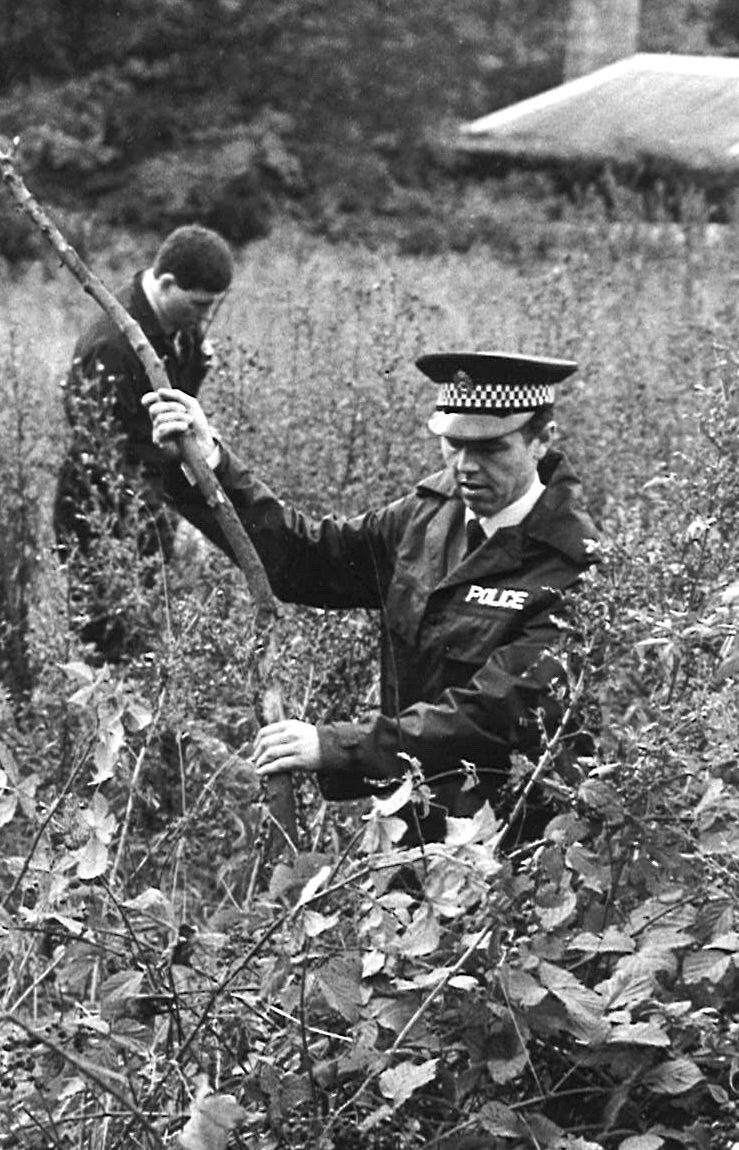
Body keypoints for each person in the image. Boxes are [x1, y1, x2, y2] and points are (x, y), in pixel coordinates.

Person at [146, 351, 599, 833]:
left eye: (490, 450)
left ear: (541, 442)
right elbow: (307, 559)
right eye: (453, 444)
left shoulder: (572, 566)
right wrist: (207, 461)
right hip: (412, 824)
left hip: (514, 842)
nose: (465, 466)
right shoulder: (427, 516)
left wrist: (335, 745)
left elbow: (493, 714)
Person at [51, 225, 235, 663]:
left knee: (147, 639)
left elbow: (168, 421)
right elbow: (105, 456)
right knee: (106, 646)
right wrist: (169, 515)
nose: (205, 319)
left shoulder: (179, 327)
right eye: (199, 305)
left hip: (150, 506)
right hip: (101, 515)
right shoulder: (112, 345)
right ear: (167, 283)